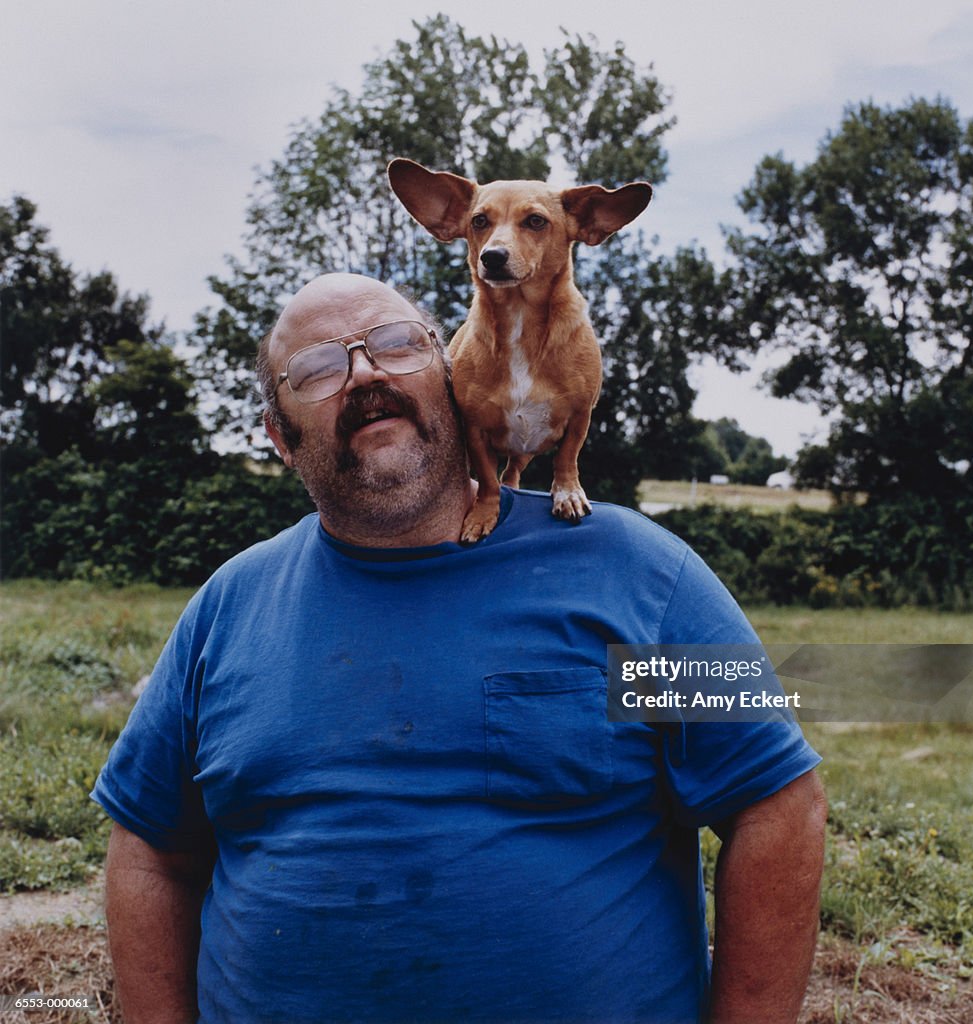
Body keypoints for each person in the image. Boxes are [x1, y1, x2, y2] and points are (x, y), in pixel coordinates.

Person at [92, 273, 827, 1024]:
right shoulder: (226, 610)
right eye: (316, 368)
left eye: (396, 344)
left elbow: (773, 804)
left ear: (452, 378)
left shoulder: (636, 575)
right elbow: (151, 852)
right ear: (281, 438)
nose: (367, 373)